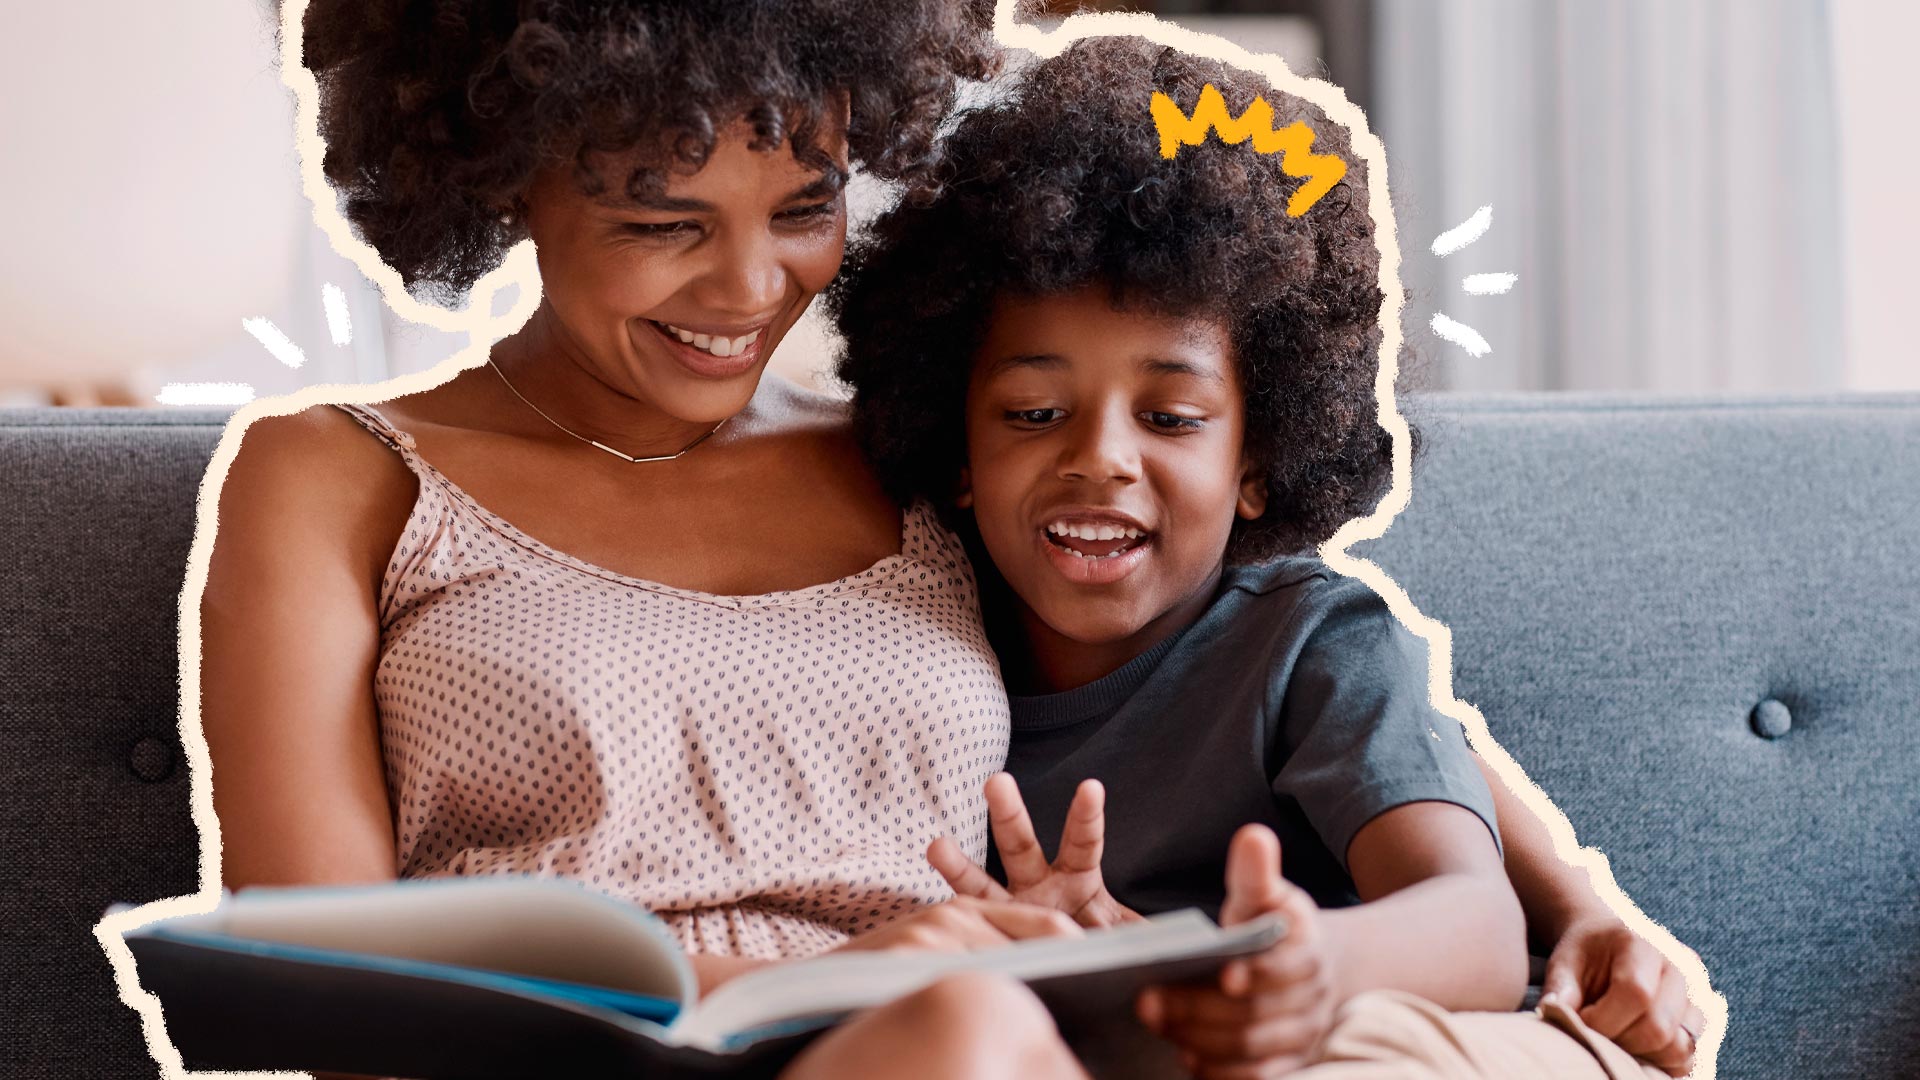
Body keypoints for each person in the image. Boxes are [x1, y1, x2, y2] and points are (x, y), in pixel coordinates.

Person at [201, 2, 1091, 1076]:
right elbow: (326, 984)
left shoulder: (918, 462)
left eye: (806, 210)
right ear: (504, 174)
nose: (751, 290)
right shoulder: (339, 476)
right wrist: (828, 986)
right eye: (663, 224)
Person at [834, 37, 1704, 1078]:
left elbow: (1475, 925)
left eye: (1170, 415)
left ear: (1261, 461)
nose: (1100, 458)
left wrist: (1297, 966)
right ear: (958, 450)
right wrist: (1103, 972)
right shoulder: (923, 664)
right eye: (1032, 411)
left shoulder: (1306, 640)